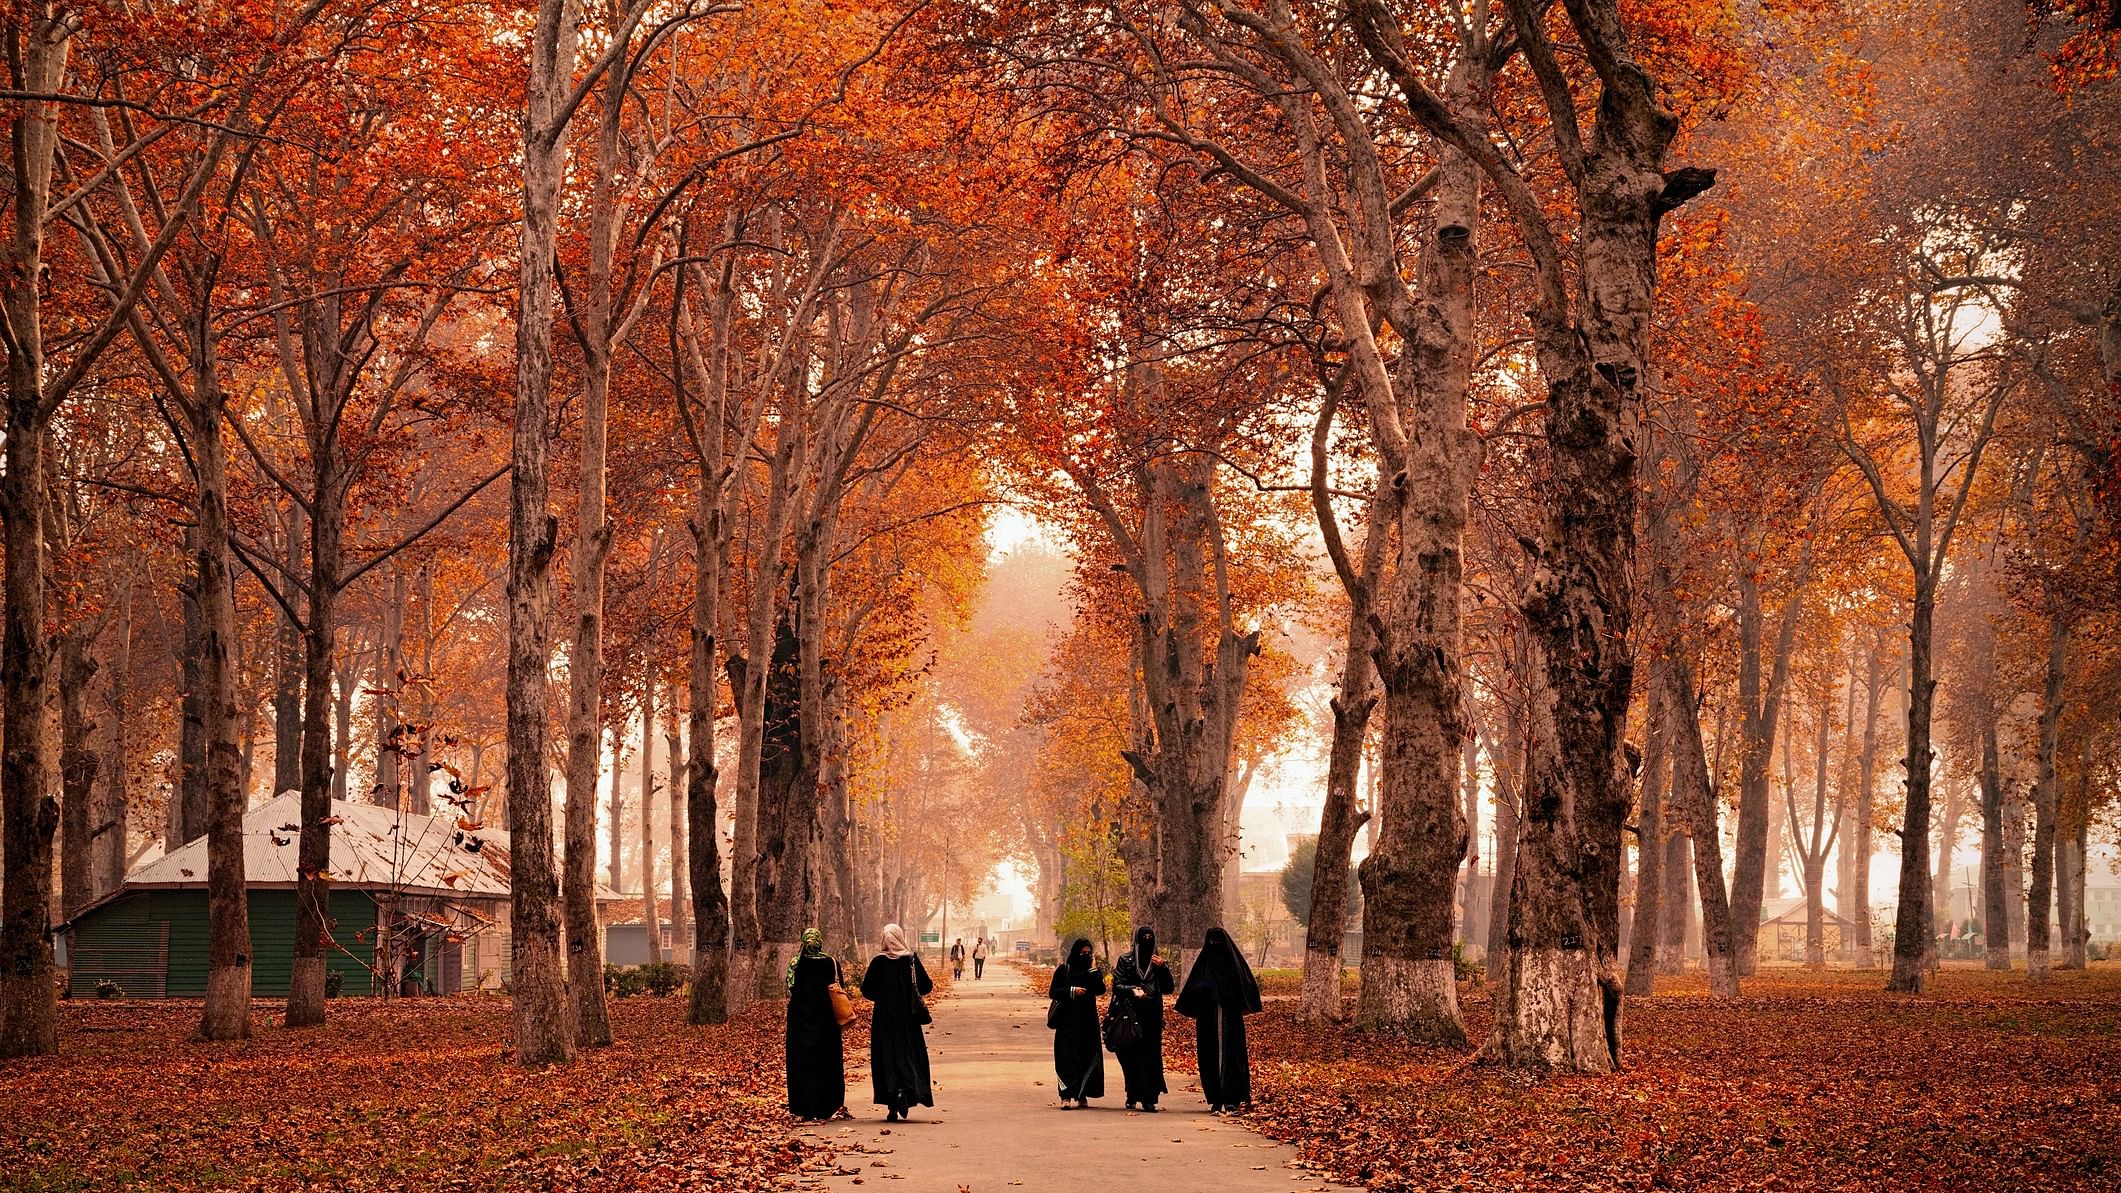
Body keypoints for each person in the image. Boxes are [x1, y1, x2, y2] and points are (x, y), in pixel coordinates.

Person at [1175, 926, 1261, 1113]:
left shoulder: (1234, 966)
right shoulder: (1203, 965)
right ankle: (1215, 1097)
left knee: (1232, 1057)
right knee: (1209, 1057)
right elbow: (1192, 991)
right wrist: (1206, 990)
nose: (1215, 946)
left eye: (1218, 942)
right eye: (1212, 942)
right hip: (1208, 1020)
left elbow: (1245, 988)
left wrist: (1229, 997)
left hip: (1230, 1020)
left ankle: (1232, 1098)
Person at [860, 923, 935, 1122]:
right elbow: (926, 986)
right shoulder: (910, 960)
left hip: (884, 1019)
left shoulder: (878, 962)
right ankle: (907, 1091)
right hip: (908, 1019)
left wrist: (883, 996)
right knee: (908, 1055)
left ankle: (892, 1099)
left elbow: (866, 990)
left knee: (887, 1057)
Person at [784, 927, 848, 1121]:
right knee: (826, 1060)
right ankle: (826, 1105)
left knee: (802, 1062)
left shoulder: (795, 963)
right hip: (827, 1021)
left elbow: (790, 987)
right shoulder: (831, 962)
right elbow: (841, 986)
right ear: (820, 942)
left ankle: (803, 1106)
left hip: (800, 1021)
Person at [1110, 926, 1175, 1111]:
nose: (1147, 940)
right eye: (1144, 937)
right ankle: (1132, 1093)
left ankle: (1150, 1098)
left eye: (1150, 937)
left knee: (1151, 1058)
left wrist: (1163, 969)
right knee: (1131, 1057)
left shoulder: (1158, 963)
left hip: (1152, 1016)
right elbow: (1117, 985)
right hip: (1130, 1015)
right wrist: (1132, 991)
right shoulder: (1126, 960)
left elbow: (1169, 988)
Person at [1047, 937, 1105, 1108]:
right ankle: (1066, 1096)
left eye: (1089, 953)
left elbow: (1100, 989)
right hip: (1067, 1023)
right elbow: (1054, 992)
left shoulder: (1092, 971)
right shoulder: (1064, 970)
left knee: (1086, 1057)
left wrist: (1093, 969)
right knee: (1066, 1058)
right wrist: (1072, 991)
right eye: (1083, 953)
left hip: (1088, 1022)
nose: (1086, 956)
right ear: (1075, 952)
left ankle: (1082, 1094)